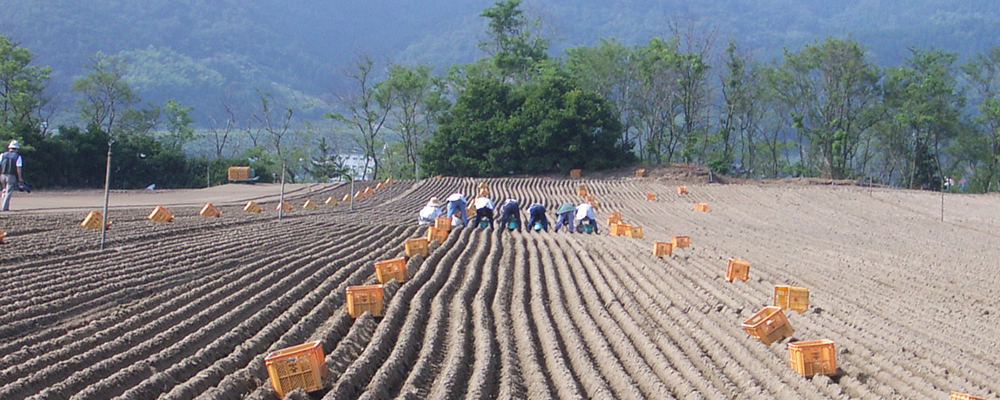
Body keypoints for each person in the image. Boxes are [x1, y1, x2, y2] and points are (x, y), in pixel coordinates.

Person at [1, 140, 24, 212]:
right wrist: (20, 178)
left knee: (4, 190)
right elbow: (18, 168)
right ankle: (4, 208)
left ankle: (3, 195)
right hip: (11, 176)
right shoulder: (18, 156)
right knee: (9, 192)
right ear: (16, 148)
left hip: (2, 175)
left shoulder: (3, 155)